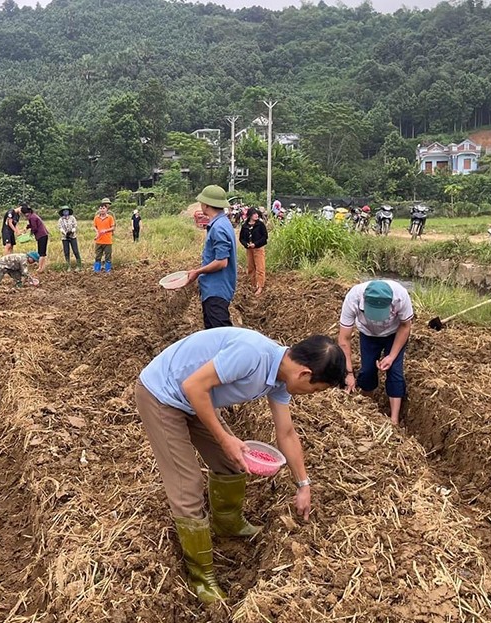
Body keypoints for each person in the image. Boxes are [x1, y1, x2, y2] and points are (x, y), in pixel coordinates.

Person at [136, 327, 347, 604]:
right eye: (315, 389)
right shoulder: (252, 354)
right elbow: (192, 386)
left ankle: (227, 523)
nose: (310, 394)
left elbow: (286, 433)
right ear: (304, 374)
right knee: (187, 486)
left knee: (232, 463)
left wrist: (303, 484)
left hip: (194, 399)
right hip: (163, 395)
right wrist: (225, 438)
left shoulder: (280, 380)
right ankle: (202, 578)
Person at [337, 280, 414, 426]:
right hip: (368, 335)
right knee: (367, 371)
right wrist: (349, 373)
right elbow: (343, 339)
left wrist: (391, 356)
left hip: (394, 334)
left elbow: (405, 326)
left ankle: (394, 419)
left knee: (395, 372)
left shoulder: (401, 296)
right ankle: (368, 408)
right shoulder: (353, 297)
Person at [183, 185, 237, 329]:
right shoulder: (223, 223)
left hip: (216, 290)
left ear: (206, 205)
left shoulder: (218, 228)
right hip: (216, 289)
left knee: (221, 334)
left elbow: (221, 262)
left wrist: (197, 271)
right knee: (214, 334)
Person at [238, 208, 268, 296]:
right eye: (254, 214)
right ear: (250, 215)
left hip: (258, 248)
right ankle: (253, 284)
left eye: (257, 214)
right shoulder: (245, 226)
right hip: (249, 249)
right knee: (251, 267)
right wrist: (246, 244)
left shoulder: (260, 225)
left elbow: (264, 237)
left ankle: (260, 286)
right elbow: (241, 238)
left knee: (260, 267)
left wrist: (256, 244)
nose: (256, 215)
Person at [22, 205, 50, 273]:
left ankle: (40, 268)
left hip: (41, 235)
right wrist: (27, 227)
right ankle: (42, 267)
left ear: (26, 213)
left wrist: (30, 235)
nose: (25, 216)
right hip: (43, 235)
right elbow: (32, 225)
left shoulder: (32, 217)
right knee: (42, 252)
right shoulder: (33, 216)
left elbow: (34, 228)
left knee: (41, 253)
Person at [93, 198, 115, 273]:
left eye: (104, 207)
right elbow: (95, 226)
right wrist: (97, 233)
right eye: (101, 208)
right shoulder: (96, 216)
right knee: (98, 255)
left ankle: (108, 270)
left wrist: (107, 231)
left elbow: (113, 226)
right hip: (99, 239)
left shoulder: (111, 216)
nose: (102, 209)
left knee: (108, 256)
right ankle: (96, 270)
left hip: (107, 239)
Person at [57, 206, 82, 270]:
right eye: (64, 211)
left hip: (73, 236)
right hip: (64, 238)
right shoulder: (60, 220)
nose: (66, 212)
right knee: (66, 252)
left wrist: (72, 231)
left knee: (76, 251)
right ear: (62, 212)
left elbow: (75, 226)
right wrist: (65, 233)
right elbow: (60, 228)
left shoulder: (72, 218)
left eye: (67, 210)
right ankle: (68, 266)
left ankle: (79, 265)